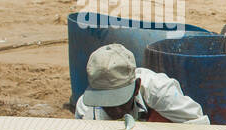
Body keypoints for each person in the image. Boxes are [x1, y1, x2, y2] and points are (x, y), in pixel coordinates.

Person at [75, 44, 209, 124]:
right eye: (106, 104)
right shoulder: (85, 110)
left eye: (119, 102)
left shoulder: (160, 91)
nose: (115, 111)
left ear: (137, 87)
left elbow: (199, 125)